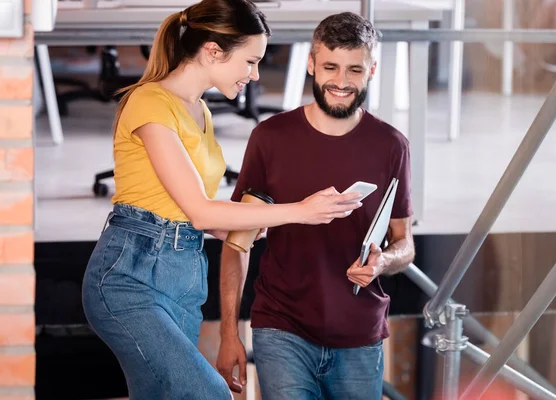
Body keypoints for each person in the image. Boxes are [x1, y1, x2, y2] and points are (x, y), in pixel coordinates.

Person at [80, 1, 363, 399]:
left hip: (182, 276)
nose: (255, 74)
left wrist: (242, 222)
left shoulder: (198, 112)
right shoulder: (149, 104)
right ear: (213, 51)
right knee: (210, 393)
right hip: (131, 277)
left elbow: (189, 207)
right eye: (250, 61)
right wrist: (302, 211)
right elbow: (197, 209)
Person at [216, 11, 416, 400]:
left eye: (354, 70)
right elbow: (237, 242)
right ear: (311, 64)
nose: (341, 82)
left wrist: (383, 262)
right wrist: (228, 333)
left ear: (371, 70)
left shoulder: (392, 145)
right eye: (330, 67)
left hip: (359, 333)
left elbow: (404, 243)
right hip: (282, 329)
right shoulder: (270, 138)